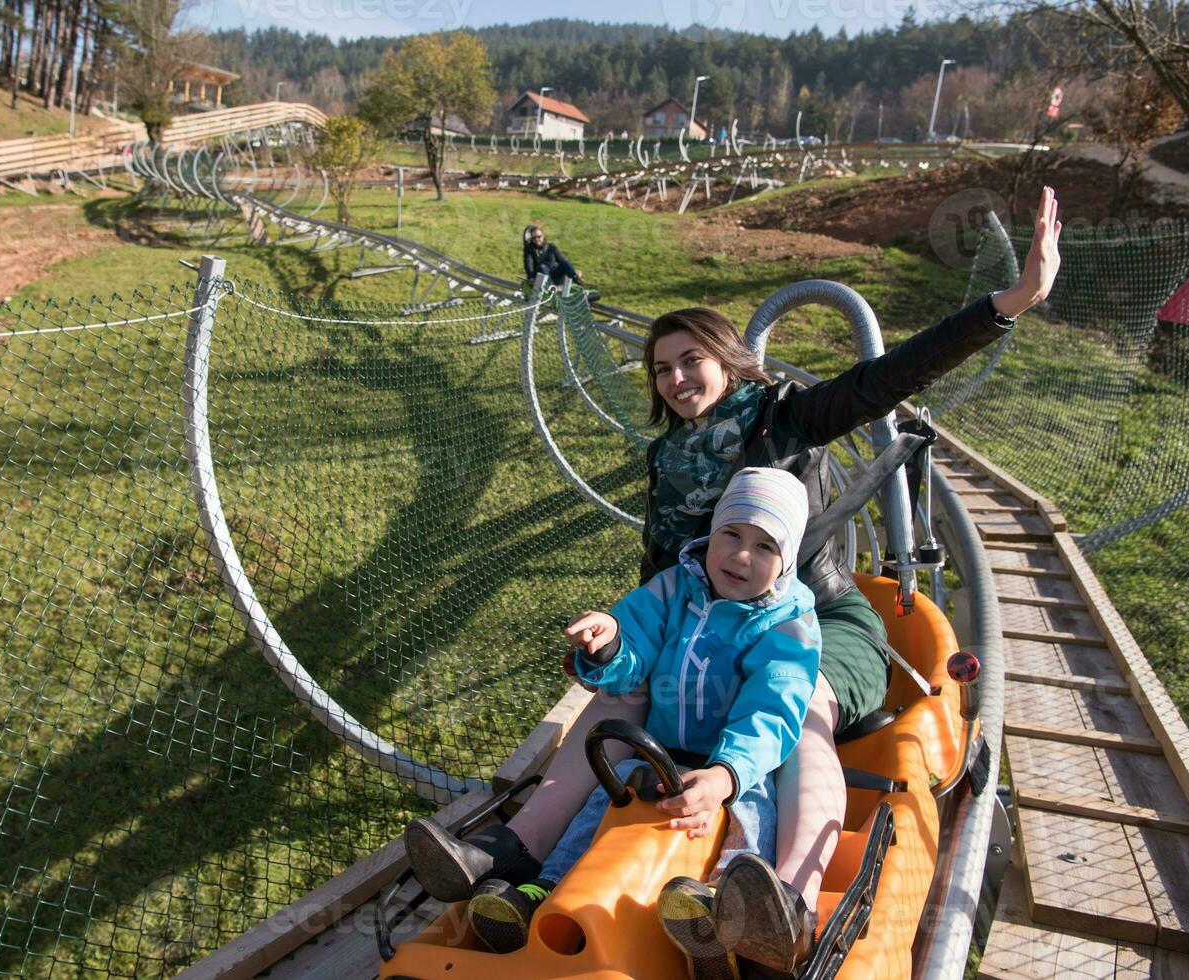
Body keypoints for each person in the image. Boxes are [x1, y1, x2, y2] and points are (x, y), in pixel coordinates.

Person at [409, 188, 1064, 976]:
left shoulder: (784, 420)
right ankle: (507, 853)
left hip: (808, 616)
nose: (677, 378)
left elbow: (887, 378)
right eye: (661, 369)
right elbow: (662, 578)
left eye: (691, 360)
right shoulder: (670, 456)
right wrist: (617, 643)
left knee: (804, 709)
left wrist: (1012, 300)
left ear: (725, 359)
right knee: (617, 701)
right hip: (704, 614)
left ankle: (784, 893)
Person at [463, 467, 818, 979]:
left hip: (733, 761)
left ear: (786, 563)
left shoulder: (788, 624)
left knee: (754, 816)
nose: (742, 555)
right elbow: (635, 650)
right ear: (711, 533)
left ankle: (725, 912)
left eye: (765, 547)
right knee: (601, 803)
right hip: (661, 747)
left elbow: (773, 708)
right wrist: (609, 643)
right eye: (732, 535)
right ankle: (547, 889)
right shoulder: (673, 589)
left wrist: (726, 775)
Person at [522, 225, 593, 297]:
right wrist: (531, 278)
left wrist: (574, 271)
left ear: (543, 236)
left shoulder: (551, 247)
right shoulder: (529, 250)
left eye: (539, 237)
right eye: (534, 238)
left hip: (554, 275)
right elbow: (529, 264)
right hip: (540, 278)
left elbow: (562, 259)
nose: (537, 239)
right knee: (543, 267)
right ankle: (551, 290)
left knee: (565, 263)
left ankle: (579, 283)